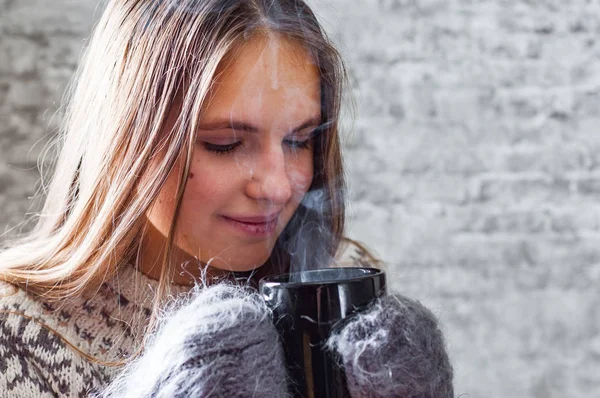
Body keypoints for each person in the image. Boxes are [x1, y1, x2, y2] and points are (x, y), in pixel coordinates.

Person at [0, 0, 453, 397]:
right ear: (126, 139)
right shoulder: (18, 334)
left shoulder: (340, 281)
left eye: (299, 141)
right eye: (225, 144)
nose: (278, 187)